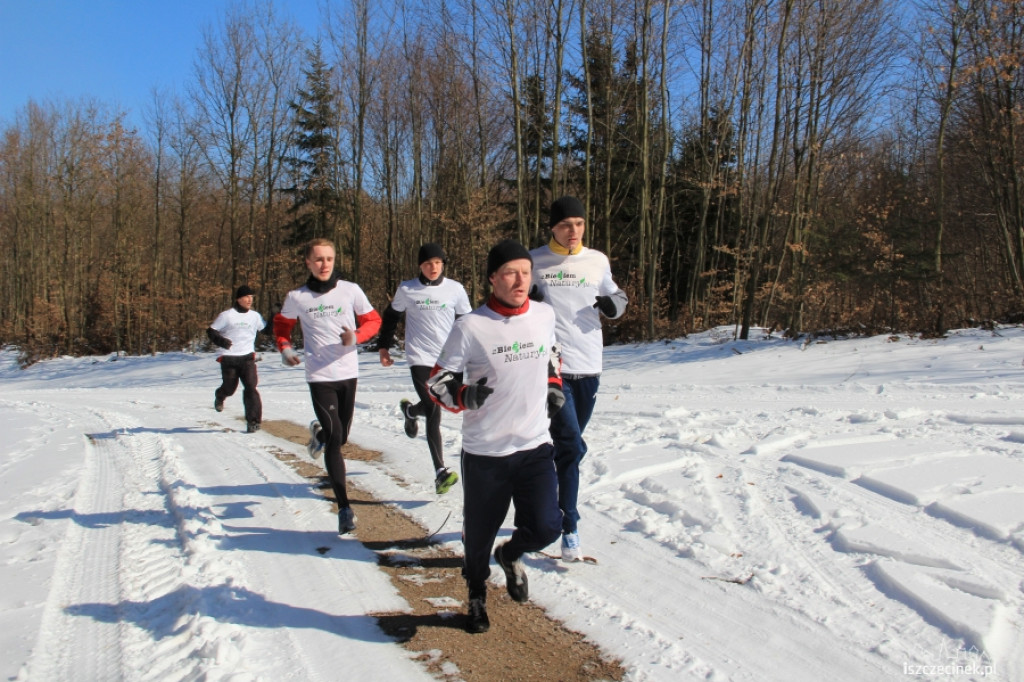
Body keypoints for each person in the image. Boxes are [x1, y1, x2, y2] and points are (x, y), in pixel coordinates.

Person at [428, 239, 564, 634]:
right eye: (510, 272)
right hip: (486, 451)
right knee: (478, 538)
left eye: (525, 271)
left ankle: (512, 554)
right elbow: (436, 380)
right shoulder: (470, 326)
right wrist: (462, 395)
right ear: (493, 278)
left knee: (547, 526)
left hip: (534, 444)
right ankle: (475, 594)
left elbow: (552, 353)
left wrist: (554, 385)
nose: (520, 279)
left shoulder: (543, 314)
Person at [530, 196, 628, 562]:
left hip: (590, 364)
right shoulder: (534, 260)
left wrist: (612, 305)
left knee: (568, 447)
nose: (573, 231)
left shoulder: (597, 260)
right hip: (551, 365)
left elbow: (617, 295)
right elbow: (514, 299)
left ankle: (543, 502)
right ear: (552, 227)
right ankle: (569, 527)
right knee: (570, 444)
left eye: (579, 223)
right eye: (566, 224)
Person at [273, 238, 382, 535]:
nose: (324, 265)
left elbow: (374, 320)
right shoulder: (297, 297)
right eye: (318, 259)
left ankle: (319, 433)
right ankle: (344, 508)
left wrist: (356, 337)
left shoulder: (351, 290)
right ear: (308, 262)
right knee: (336, 440)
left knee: (341, 435)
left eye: (329, 259)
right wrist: (285, 349)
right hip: (319, 375)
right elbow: (282, 326)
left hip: (348, 372)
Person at [376, 243, 472, 494]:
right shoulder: (407, 289)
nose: (433, 267)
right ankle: (440, 471)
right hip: (419, 357)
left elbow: (468, 323)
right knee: (433, 407)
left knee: (437, 405)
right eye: (428, 263)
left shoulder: (456, 290)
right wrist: (384, 347)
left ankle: (409, 411)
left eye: (438, 263)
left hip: (448, 359)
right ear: (420, 265)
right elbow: (391, 316)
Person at [207, 285, 267, 433]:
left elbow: (266, 330)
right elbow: (211, 331)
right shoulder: (227, 315)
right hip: (229, 359)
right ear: (238, 299)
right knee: (229, 388)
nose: (249, 300)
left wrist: (274, 316)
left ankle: (253, 422)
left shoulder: (255, 316)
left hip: (247, 358)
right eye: (246, 297)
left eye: (252, 297)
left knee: (251, 388)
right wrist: (221, 341)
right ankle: (220, 396)